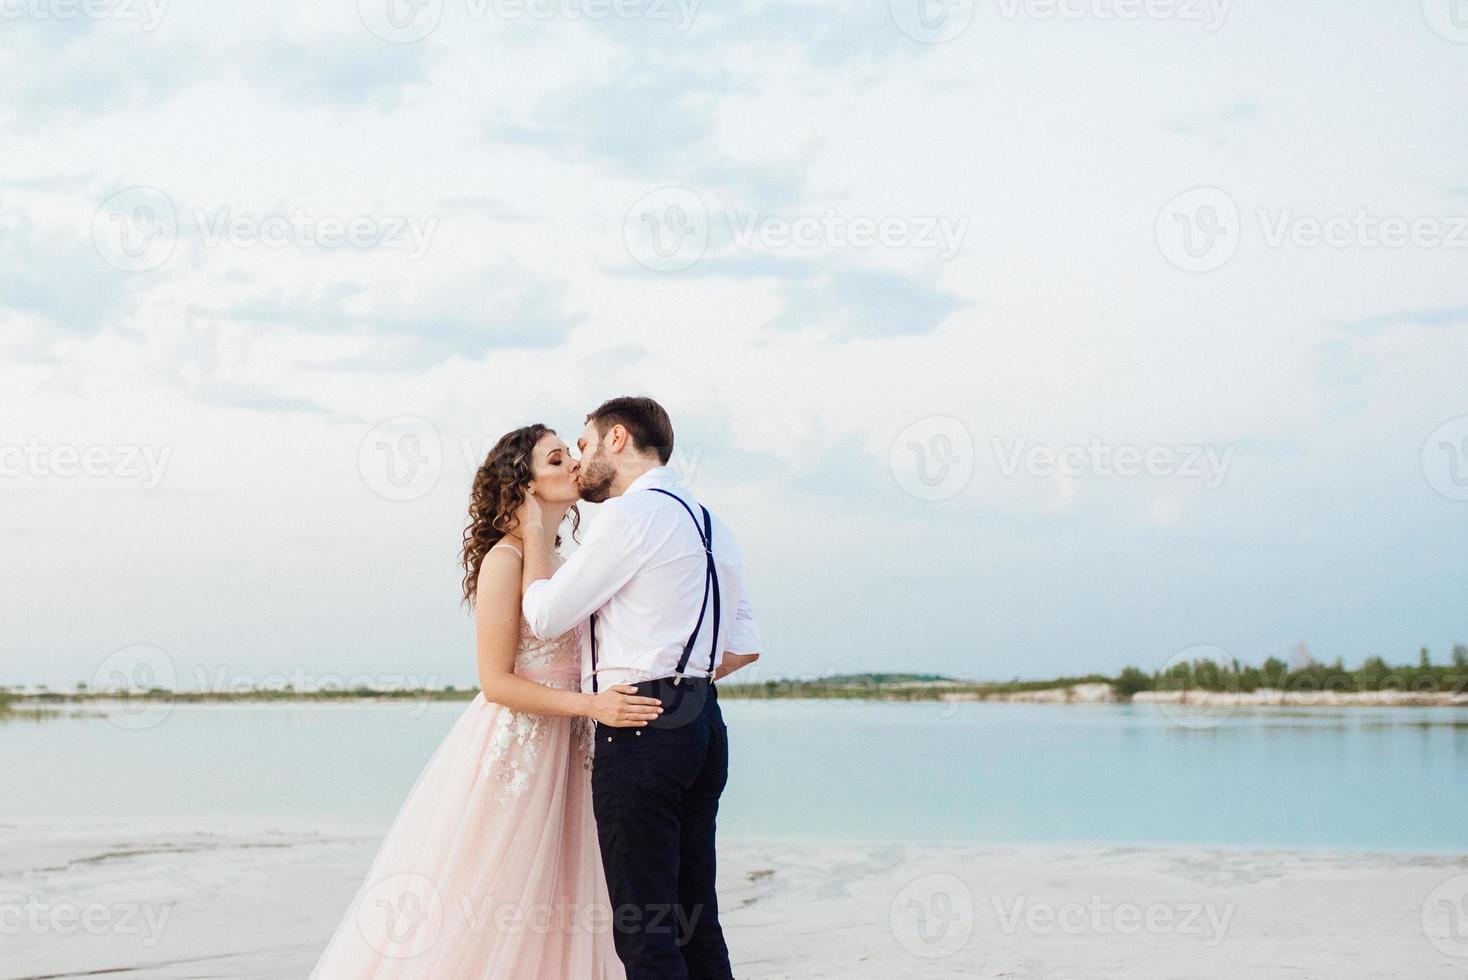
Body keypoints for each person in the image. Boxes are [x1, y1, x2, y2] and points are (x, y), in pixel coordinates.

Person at [309, 423, 663, 979]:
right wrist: (592, 707)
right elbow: (495, 681)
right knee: (498, 898)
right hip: (522, 751)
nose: (573, 463)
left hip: (576, 750)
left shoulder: (564, 565)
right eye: (555, 459)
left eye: (570, 453)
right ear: (523, 484)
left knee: (569, 896)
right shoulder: (505, 559)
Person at [518, 396, 763, 980]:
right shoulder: (711, 521)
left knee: (646, 928)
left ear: (618, 439)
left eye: (584, 445)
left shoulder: (629, 516)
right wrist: (682, 680)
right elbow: (743, 646)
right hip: (704, 721)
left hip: (640, 726)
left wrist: (532, 538)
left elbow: (547, 616)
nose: (580, 461)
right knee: (695, 917)